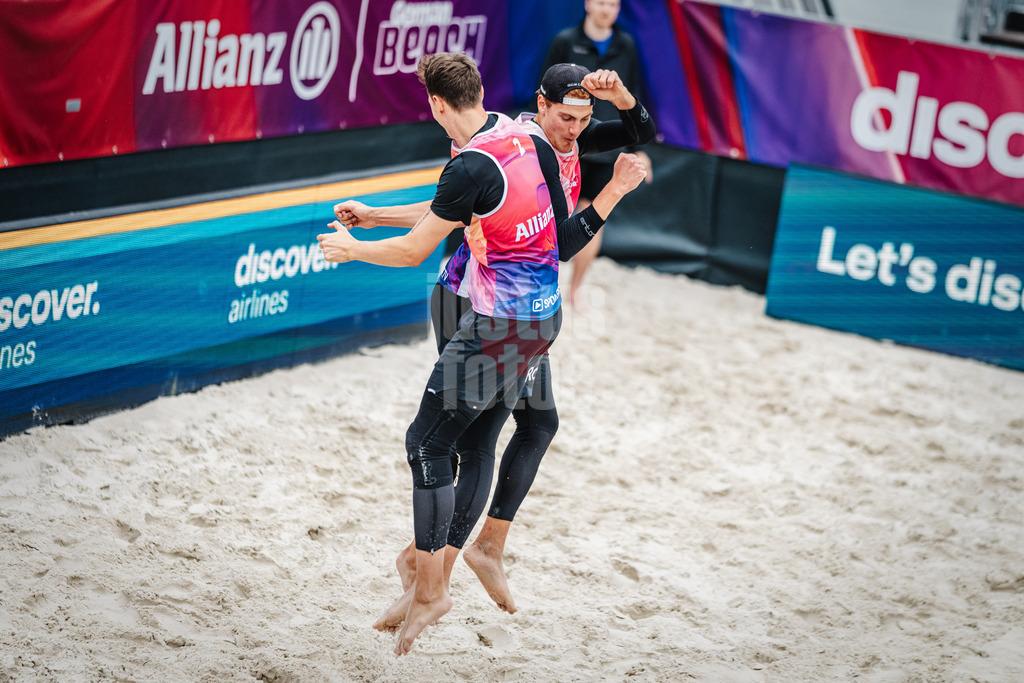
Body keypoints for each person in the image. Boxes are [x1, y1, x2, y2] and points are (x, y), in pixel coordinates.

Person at [334, 64, 653, 617]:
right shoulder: (524, 144)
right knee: (469, 437)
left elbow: (639, 131)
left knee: (528, 424)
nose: (575, 129)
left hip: (516, 308)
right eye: (566, 117)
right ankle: (433, 572)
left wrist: (620, 94)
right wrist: (613, 193)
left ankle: (462, 556)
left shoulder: (540, 142)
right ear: (542, 107)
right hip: (472, 296)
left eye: (584, 119)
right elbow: (470, 218)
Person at [317, 52, 563, 657]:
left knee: (427, 443)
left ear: (435, 105)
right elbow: (448, 211)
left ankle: (431, 588)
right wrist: (374, 215)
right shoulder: (517, 132)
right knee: (475, 438)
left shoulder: (471, 164)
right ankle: (436, 573)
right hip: (539, 320)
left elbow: (413, 250)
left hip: (498, 325)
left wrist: (353, 248)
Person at [541, 0, 653, 308]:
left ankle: (575, 287)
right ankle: (549, 283)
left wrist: (636, 150)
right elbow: (544, 93)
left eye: (613, 4)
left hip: (604, 147)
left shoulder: (625, 44)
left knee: (593, 212)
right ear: (589, 4)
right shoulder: (566, 41)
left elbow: (636, 107)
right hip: (567, 148)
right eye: (602, 2)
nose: (607, 9)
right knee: (557, 222)